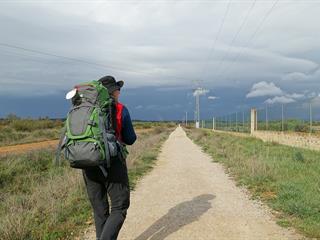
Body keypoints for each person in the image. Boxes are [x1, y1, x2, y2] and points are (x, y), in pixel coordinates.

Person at [82, 75, 137, 240]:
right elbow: (130, 139)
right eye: (118, 89)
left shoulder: (85, 110)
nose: (119, 92)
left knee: (100, 212)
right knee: (119, 207)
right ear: (113, 92)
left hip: (88, 162)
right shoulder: (120, 109)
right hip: (113, 163)